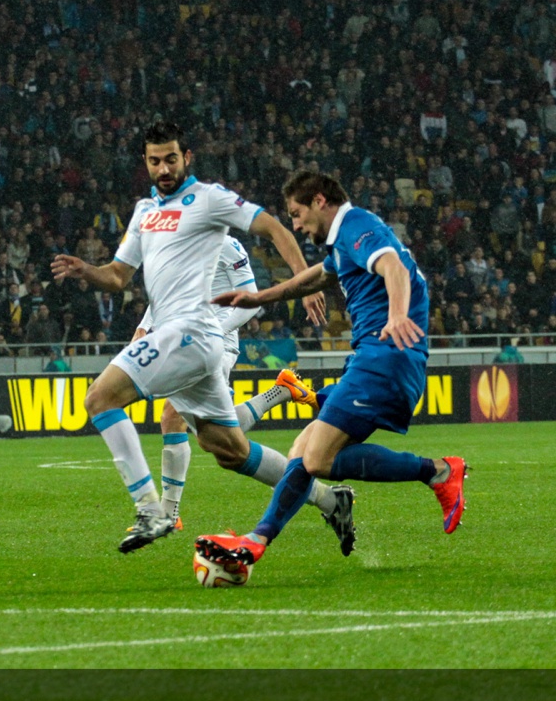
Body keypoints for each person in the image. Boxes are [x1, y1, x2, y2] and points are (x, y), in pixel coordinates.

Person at [50, 121, 334, 554]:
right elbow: (118, 276)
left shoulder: (209, 199)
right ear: (145, 163)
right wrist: (86, 270)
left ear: (187, 158)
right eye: (155, 161)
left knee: (100, 398)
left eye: (171, 159)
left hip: (193, 332)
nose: (164, 168)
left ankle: (153, 510)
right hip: (179, 336)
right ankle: (329, 499)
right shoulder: (145, 212)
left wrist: (304, 282)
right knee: (229, 449)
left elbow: (274, 228)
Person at [196, 170, 467, 572]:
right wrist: (259, 297)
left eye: (297, 214)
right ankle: (255, 542)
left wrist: (396, 315)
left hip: (386, 355)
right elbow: (317, 277)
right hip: (372, 358)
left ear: (320, 201)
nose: (296, 225)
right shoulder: (342, 242)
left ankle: (437, 471)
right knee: (301, 452)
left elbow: (393, 267)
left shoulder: (356, 225)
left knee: (317, 459)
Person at [133, 233, 322, 529]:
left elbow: (250, 302)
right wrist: (144, 326)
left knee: (178, 420)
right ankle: (281, 391)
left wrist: (214, 332)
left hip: (217, 345)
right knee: (212, 437)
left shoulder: (226, 245)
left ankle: (168, 514)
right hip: (189, 342)